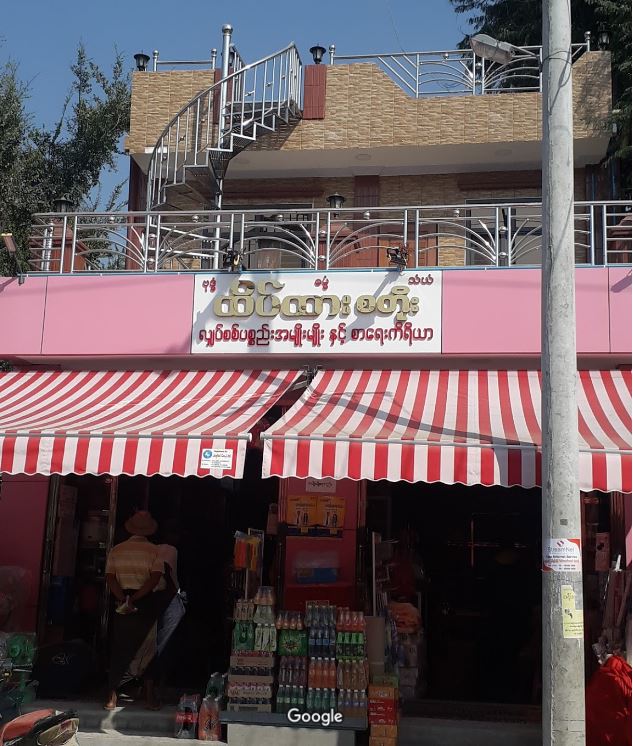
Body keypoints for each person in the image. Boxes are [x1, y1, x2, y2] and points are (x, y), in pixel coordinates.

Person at [104, 511, 164, 711]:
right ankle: (149, 697)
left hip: (122, 600)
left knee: (120, 647)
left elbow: (110, 577)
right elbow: (155, 578)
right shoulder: (155, 551)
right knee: (148, 649)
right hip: (145, 601)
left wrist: (123, 598)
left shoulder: (117, 550)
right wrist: (137, 597)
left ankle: (112, 697)